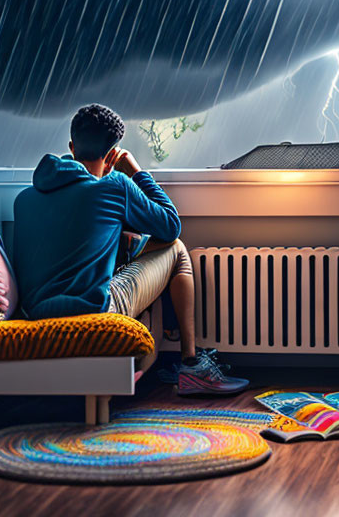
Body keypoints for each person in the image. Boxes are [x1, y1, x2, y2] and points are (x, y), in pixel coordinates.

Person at [13, 103, 248, 395]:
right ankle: (191, 363)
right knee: (175, 249)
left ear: (71, 146)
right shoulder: (115, 186)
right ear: (112, 154)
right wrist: (135, 171)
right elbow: (170, 225)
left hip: (36, 313)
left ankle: (163, 357)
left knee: (131, 246)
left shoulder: (25, 198)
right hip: (93, 309)